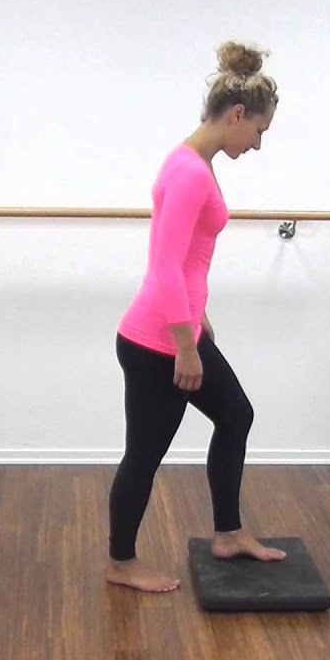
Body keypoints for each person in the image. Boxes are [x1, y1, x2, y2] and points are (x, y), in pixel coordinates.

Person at [106, 41, 287, 594]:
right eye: (258, 131)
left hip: (178, 326)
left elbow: (186, 259)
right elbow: (163, 266)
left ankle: (228, 533)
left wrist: (197, 312)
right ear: (237, 115)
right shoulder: (188, 171)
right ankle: (120, 562)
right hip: (158, 342)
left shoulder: (194, 163)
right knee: (145, 453)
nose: (257, 144)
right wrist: (185, 346)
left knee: (236, 415)